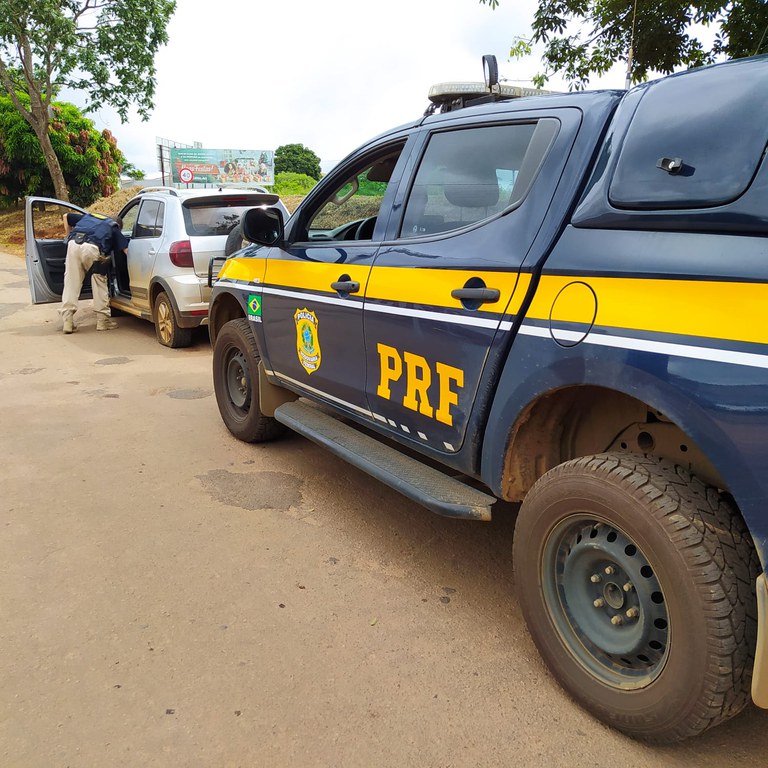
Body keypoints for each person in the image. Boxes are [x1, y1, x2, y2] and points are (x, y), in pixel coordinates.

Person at [60, 211, 129, 334]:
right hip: (92, 248)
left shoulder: (90, 216)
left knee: (71, 281)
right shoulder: (114, 227)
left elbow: (66, 216)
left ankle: (68, 321)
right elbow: (126, 250)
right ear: (119, 225)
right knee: (99, 281)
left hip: (73, 244)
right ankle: (103, 321)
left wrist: (67, 235)